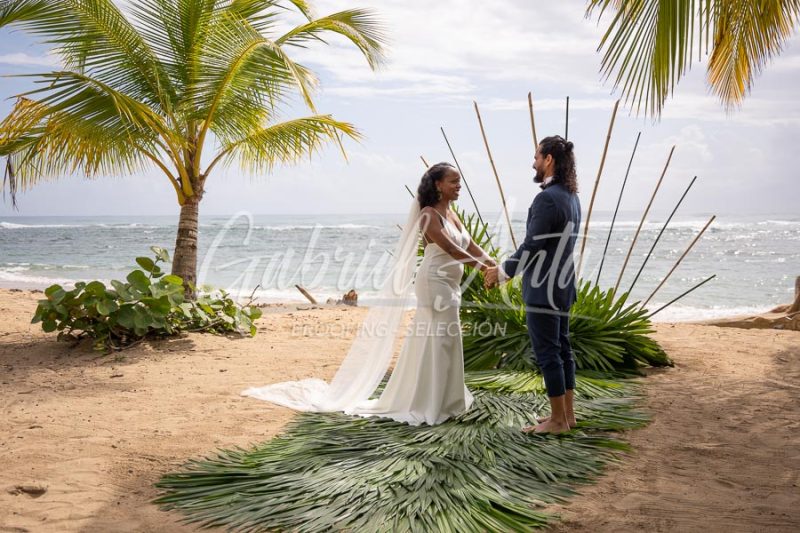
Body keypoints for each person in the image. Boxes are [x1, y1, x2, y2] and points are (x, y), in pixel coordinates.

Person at [242, 162, 495, 426]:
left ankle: (446, 400)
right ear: (437, 185)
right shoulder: (429, 215)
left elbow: (472, 246)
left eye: (459, 181)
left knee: (446, 340)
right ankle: (430, 403)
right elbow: (452, 249)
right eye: (453, 181)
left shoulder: (452, 214)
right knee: (440, 340)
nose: (458, 186)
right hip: (434, 284)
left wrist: (495, 267)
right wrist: (484, 270)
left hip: (450, 286)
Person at [484, 135, 581, 434]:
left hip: (544, 289)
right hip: (563, 286)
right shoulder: (571, 196)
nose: (534, 162)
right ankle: (567, 415)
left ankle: (557, 421)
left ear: (548, 159)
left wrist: (502, 272)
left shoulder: (547, 198)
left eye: (537, 156)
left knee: (548, 353)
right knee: (562, 349)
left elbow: (533, 245)